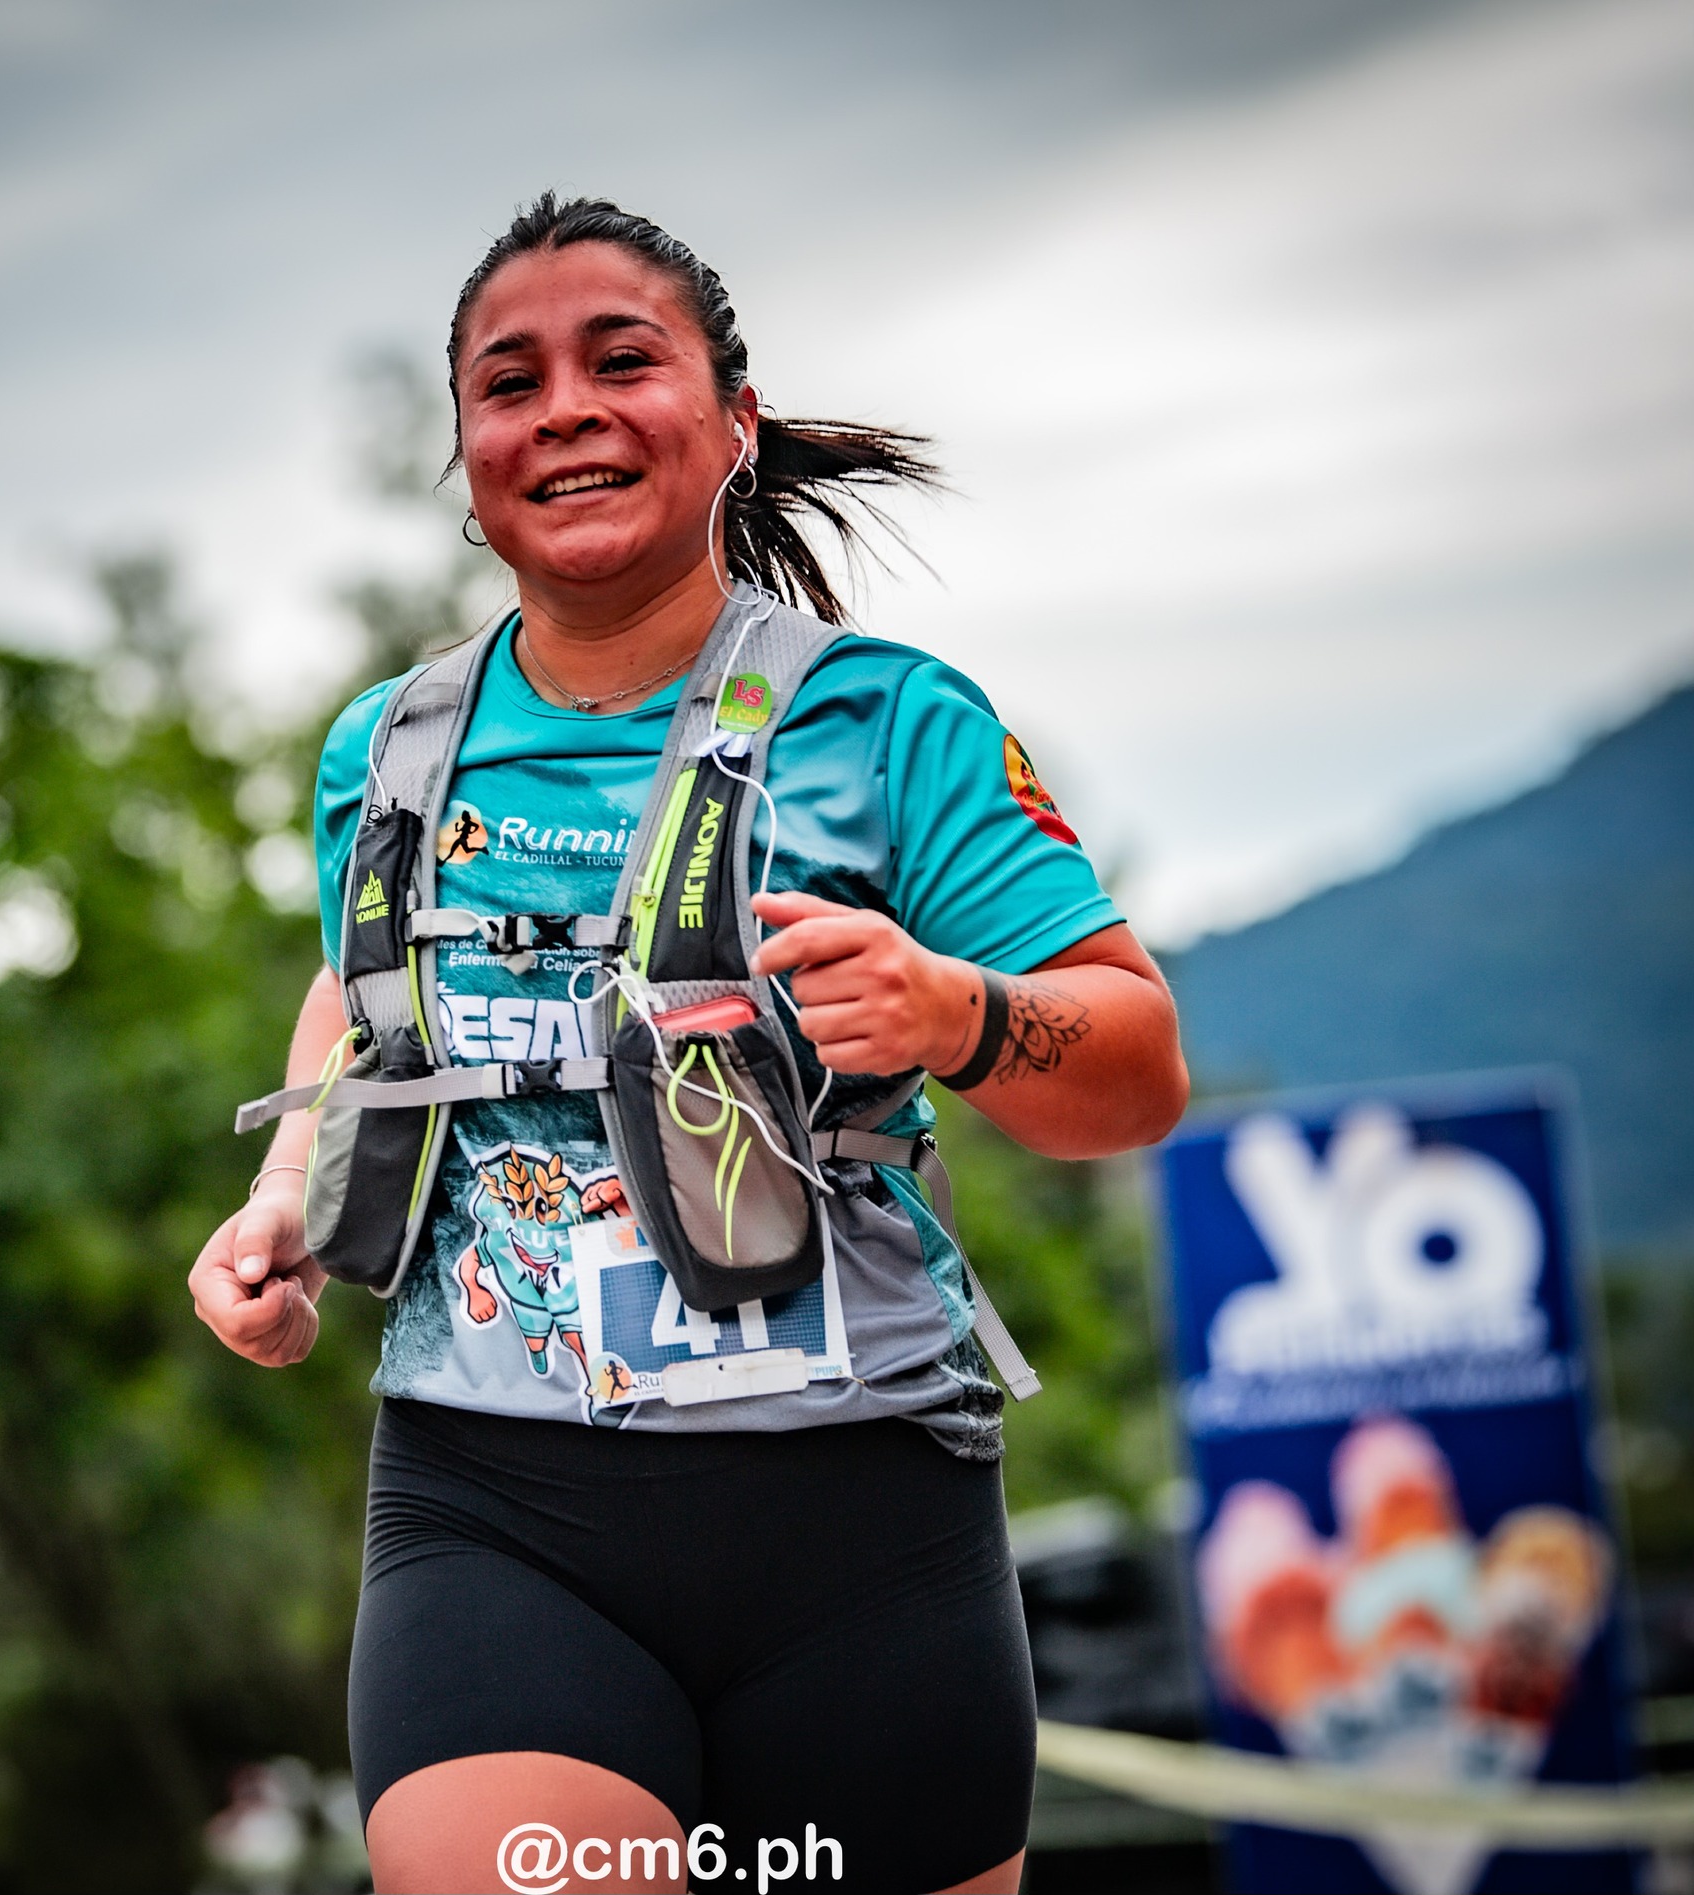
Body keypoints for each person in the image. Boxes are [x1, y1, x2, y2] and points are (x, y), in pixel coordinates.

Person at [189, 194, 1188, 1895]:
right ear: (470, 458)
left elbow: (1136, 1071)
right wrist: (288, 1185)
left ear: (731, 422)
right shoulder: (390, 748)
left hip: (865, 1537)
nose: (563, 405)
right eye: (511, 382)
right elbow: (362, 983)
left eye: (620, 359)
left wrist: (959, 1015)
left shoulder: (889, 723)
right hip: (494, 1518)